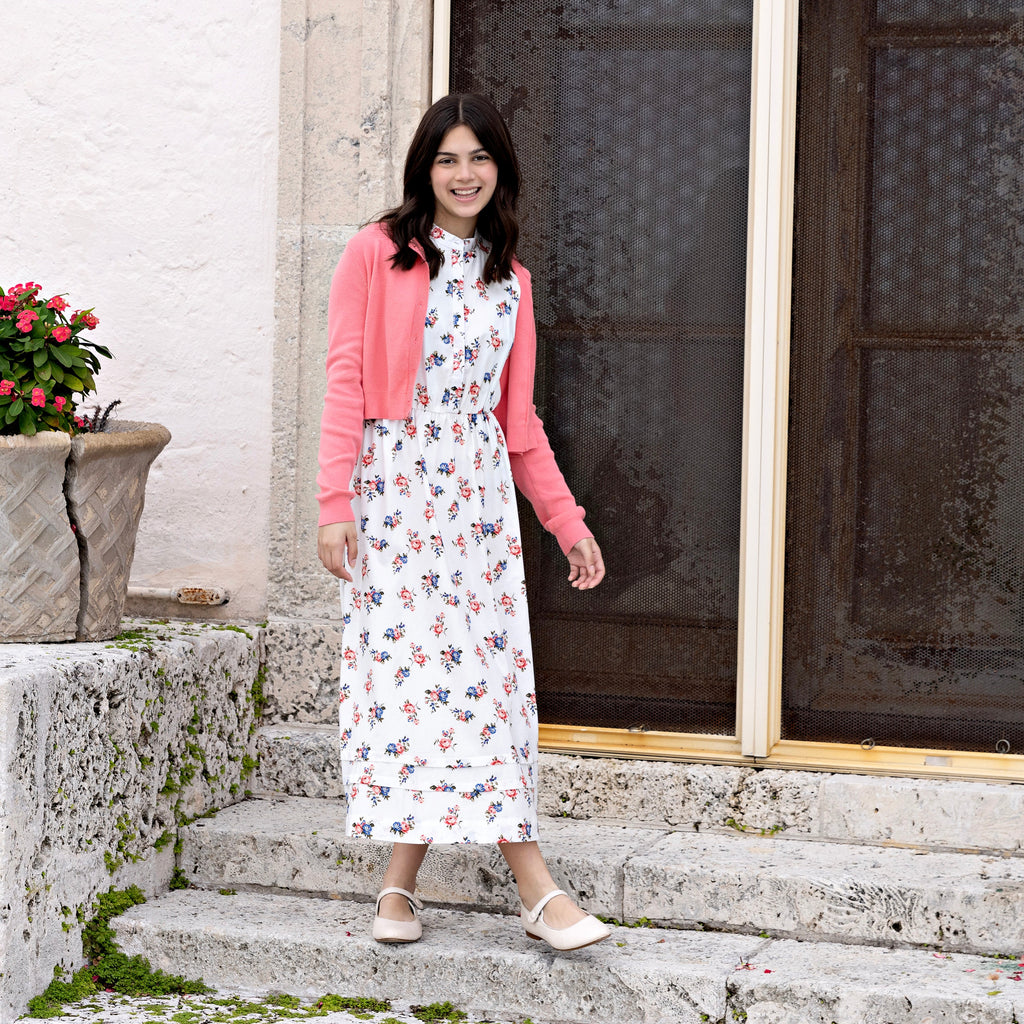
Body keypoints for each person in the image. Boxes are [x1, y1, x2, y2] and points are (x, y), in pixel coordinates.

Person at [316, 93, 609, 952]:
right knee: (428, 687)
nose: (464, 173)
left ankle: (398, 890)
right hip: (397, 498)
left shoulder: (507, 277)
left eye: (479, 157)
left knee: (475, 686)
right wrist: (335, 504)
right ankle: (539, 891)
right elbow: (343, 380)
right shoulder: (379, 254)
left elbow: (520, 428)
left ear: (500, 170)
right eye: (447, 158)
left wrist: (566, 522)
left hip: (477, 511)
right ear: (425, 168)